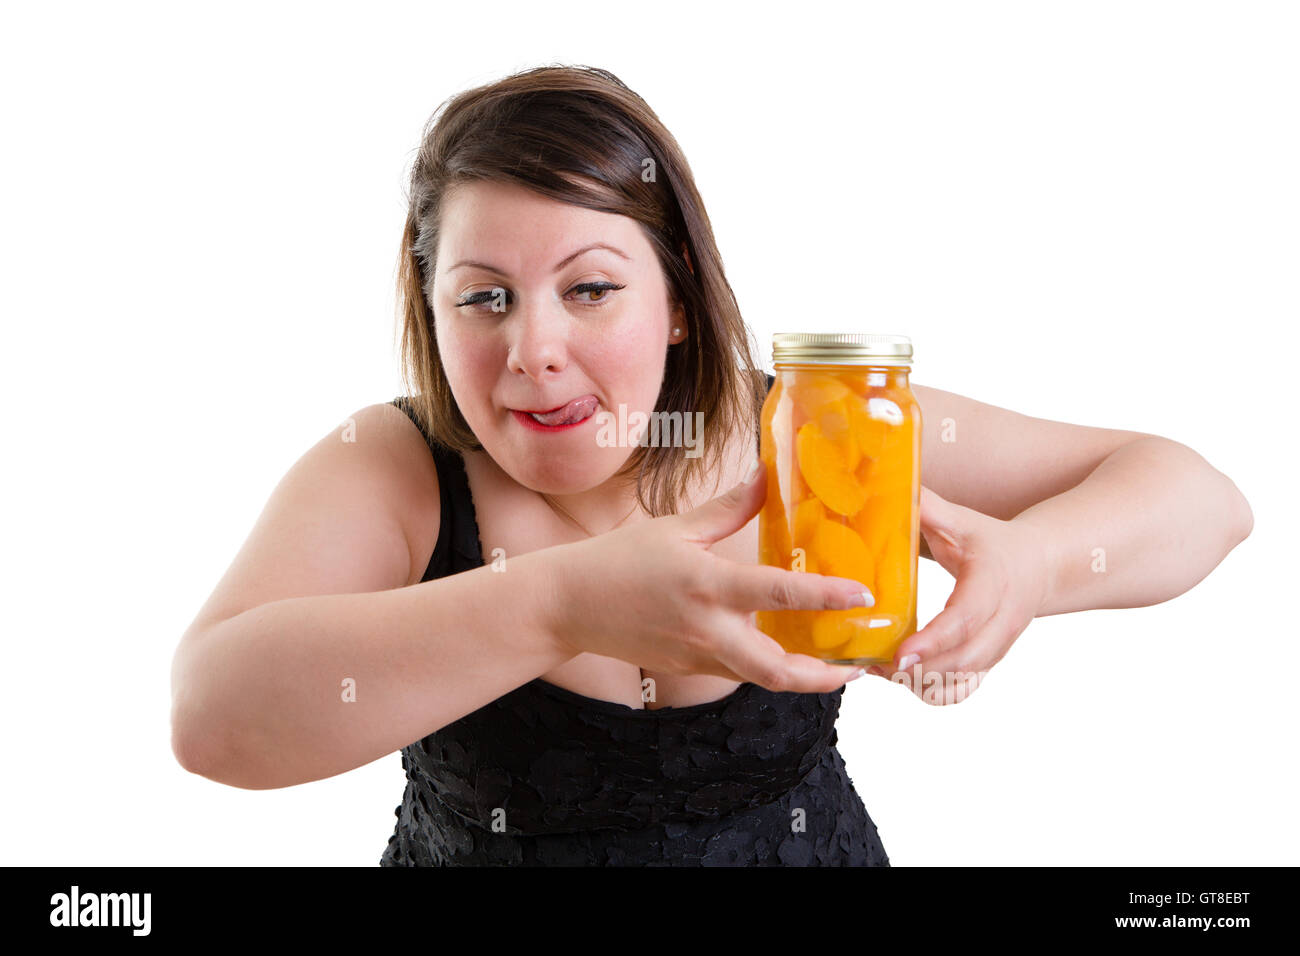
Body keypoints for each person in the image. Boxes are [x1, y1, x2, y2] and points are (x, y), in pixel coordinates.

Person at [169, 65, 1253, 866]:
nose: (533, 346)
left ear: (679, 300)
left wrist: (1036, 563)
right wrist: (559, 605)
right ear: (433, 311)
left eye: (589, 288)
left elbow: (1201, 497)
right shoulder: (396, 466)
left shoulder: (812, 425)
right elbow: (212, 717)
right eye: (483, 295)